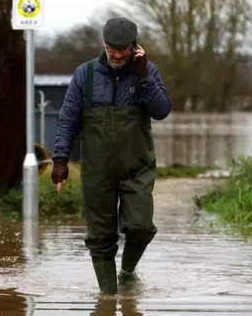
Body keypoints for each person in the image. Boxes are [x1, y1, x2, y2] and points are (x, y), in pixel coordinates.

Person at [50, 17, 172, 295]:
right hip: (97, 170)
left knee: (141, 227)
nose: (117, 55)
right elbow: (68, 119)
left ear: (134, 47)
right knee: (101, 238)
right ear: (103, 44)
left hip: (137, 168)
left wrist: (143, 78)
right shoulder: (85, 74)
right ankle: (108, 296)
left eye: (123, 50)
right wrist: (60, 160)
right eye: (111, 48)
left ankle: (127, 272)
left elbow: (162, 110)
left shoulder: (147, 71)